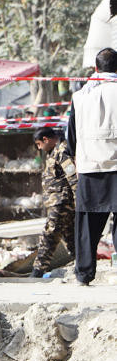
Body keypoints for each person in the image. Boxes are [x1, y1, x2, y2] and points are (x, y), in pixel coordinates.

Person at [67, 47, 117, 286]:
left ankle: (84, 275)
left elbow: (72, 137)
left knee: (87, 225)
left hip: (90, 167)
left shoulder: (81, 95)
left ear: (96, 68)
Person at [30, 128, 76, 278]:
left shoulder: (62, 151)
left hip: (62, 202)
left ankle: (38, 270)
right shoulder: (54, 152)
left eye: (39, 144)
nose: (39, 148)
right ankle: (83, 264)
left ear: (46, 139)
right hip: (58, 201)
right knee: (71, 236)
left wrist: (78, 198)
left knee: (50, 233)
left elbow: (72, 175)